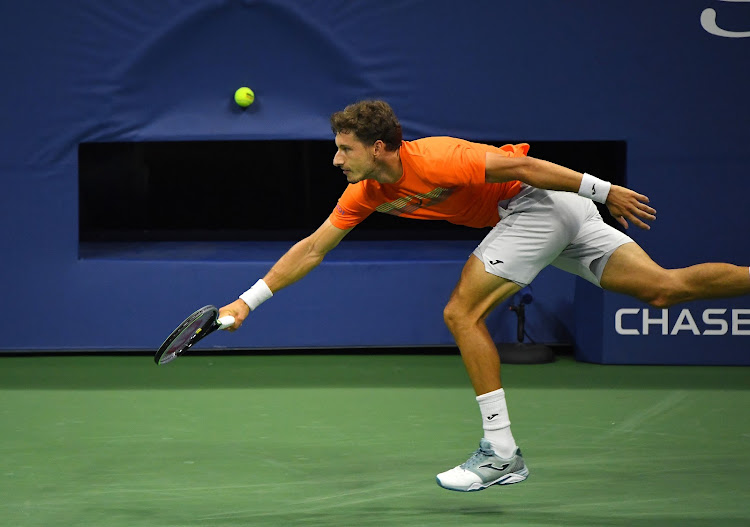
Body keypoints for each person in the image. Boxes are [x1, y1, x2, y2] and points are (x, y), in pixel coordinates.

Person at [219, 100, 750, 492]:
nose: (336, 160)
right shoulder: (365, 192)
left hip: (537, 205)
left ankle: (500, 452)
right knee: (663, 290)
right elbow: (313, 249)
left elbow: (521, 167)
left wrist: (602, 189)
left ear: (378, 148)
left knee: (460, 312)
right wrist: (248, 299)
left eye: (344, 149)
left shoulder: (440, 157)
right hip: (549, 218)